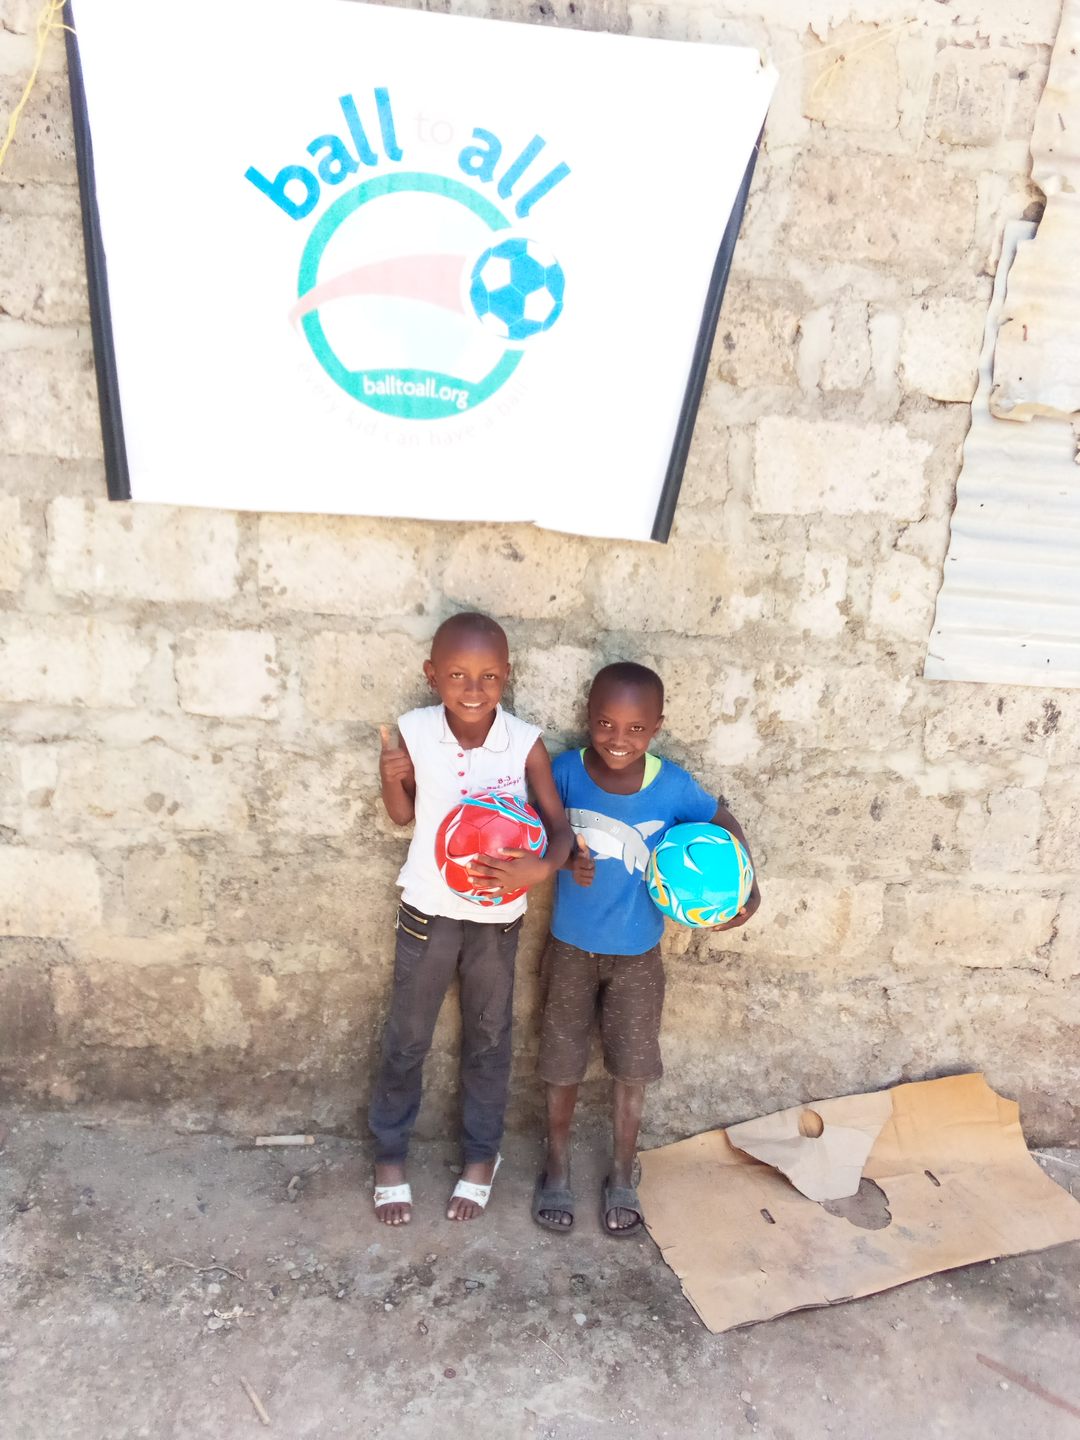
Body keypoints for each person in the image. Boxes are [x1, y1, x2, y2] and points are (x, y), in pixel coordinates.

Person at [533, 662, 760, 1236]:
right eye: (606, 723)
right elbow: (534, 830)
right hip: (569, 949)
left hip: (638, 956)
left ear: (657, 727)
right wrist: (563, 855)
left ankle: (621, 1173)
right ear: (588, 716)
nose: (618, 739)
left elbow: (721, 820)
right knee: (560, 1061)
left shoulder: (673, 786)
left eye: (636, 728)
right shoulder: (564, 772)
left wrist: (744, 886)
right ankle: (556, 1166)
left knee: (632, 1068)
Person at [372, 611, 573, 1227]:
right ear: (431, 674)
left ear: (507, 675)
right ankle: (389, 1156)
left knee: (489, 1038)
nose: (473, 688)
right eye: (457, 674)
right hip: (427, 911)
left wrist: (540, 869)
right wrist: (391, 778)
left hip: (497, 919)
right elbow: (403, 816)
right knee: (408, 1036)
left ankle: (482, 1157)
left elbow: (561, 830)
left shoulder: (524, 742)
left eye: (488, 676)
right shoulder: (414, 731)